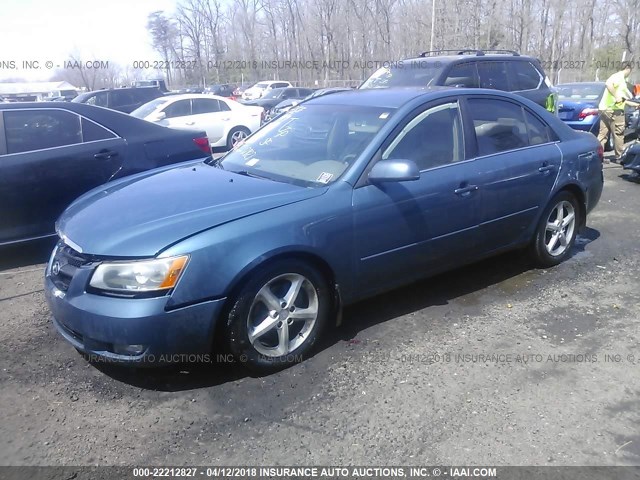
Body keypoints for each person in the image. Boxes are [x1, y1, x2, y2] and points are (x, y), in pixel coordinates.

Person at [598, 62, 634, 162]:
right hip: (614, 111)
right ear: (627, 68)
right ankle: (620, 156)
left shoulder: (621, 80)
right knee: (619, 133)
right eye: (630, 70)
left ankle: (598, 156)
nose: (629, 73)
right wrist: (616, 96)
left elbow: (623, 99)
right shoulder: (619, 77)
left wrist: (634, 104)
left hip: (604, 109)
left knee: (602, 135)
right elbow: (608, 84)